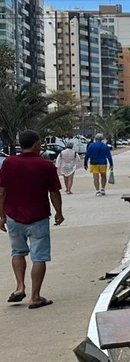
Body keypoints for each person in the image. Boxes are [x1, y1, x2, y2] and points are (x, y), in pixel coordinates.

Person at [0, 130, 64, 309]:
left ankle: (20, 287)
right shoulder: (46, 165)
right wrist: (59, 212)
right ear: (37, 144)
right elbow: (54, 192)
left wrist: (1, 215)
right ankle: (35, 297)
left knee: (17, 252)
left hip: (13, 216)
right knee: (39, 257)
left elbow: (2, 191)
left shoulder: (9, 162)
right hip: (39, 217)